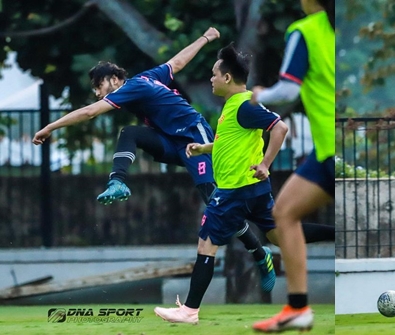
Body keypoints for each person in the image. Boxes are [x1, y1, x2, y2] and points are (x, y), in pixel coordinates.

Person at [32, 28, 278, 292]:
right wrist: (204, 38)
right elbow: (178, 62)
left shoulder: (132, 87)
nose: (97, 93)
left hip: (194, 137)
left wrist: (50, 127)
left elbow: (91, 112)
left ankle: (259, 253)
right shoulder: (149, 78)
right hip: (172, 142)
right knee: (130, 133)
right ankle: (118, 182)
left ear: (115, 79)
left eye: (98, 85)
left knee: (215, 201)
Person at [153, 43, 289, 324]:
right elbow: (230, 142)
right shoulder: (236, 105)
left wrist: (265, 164)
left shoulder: (243, 106)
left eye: (214, 74)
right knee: (281, 236)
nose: (211, 79)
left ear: (227, 78)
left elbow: (280, 127)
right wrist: (204, 149)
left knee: (206, 245)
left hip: (233, 191)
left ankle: (189, 311)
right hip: (251, 190)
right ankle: (332, 234)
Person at [251, 0, 334, 332]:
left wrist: (259, 94)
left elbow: (288, 89)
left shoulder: (304, 30)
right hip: (336, 143)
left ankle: (298, 307)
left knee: (284, 215)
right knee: (284, 213)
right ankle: (297, 308)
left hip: (330, 146)